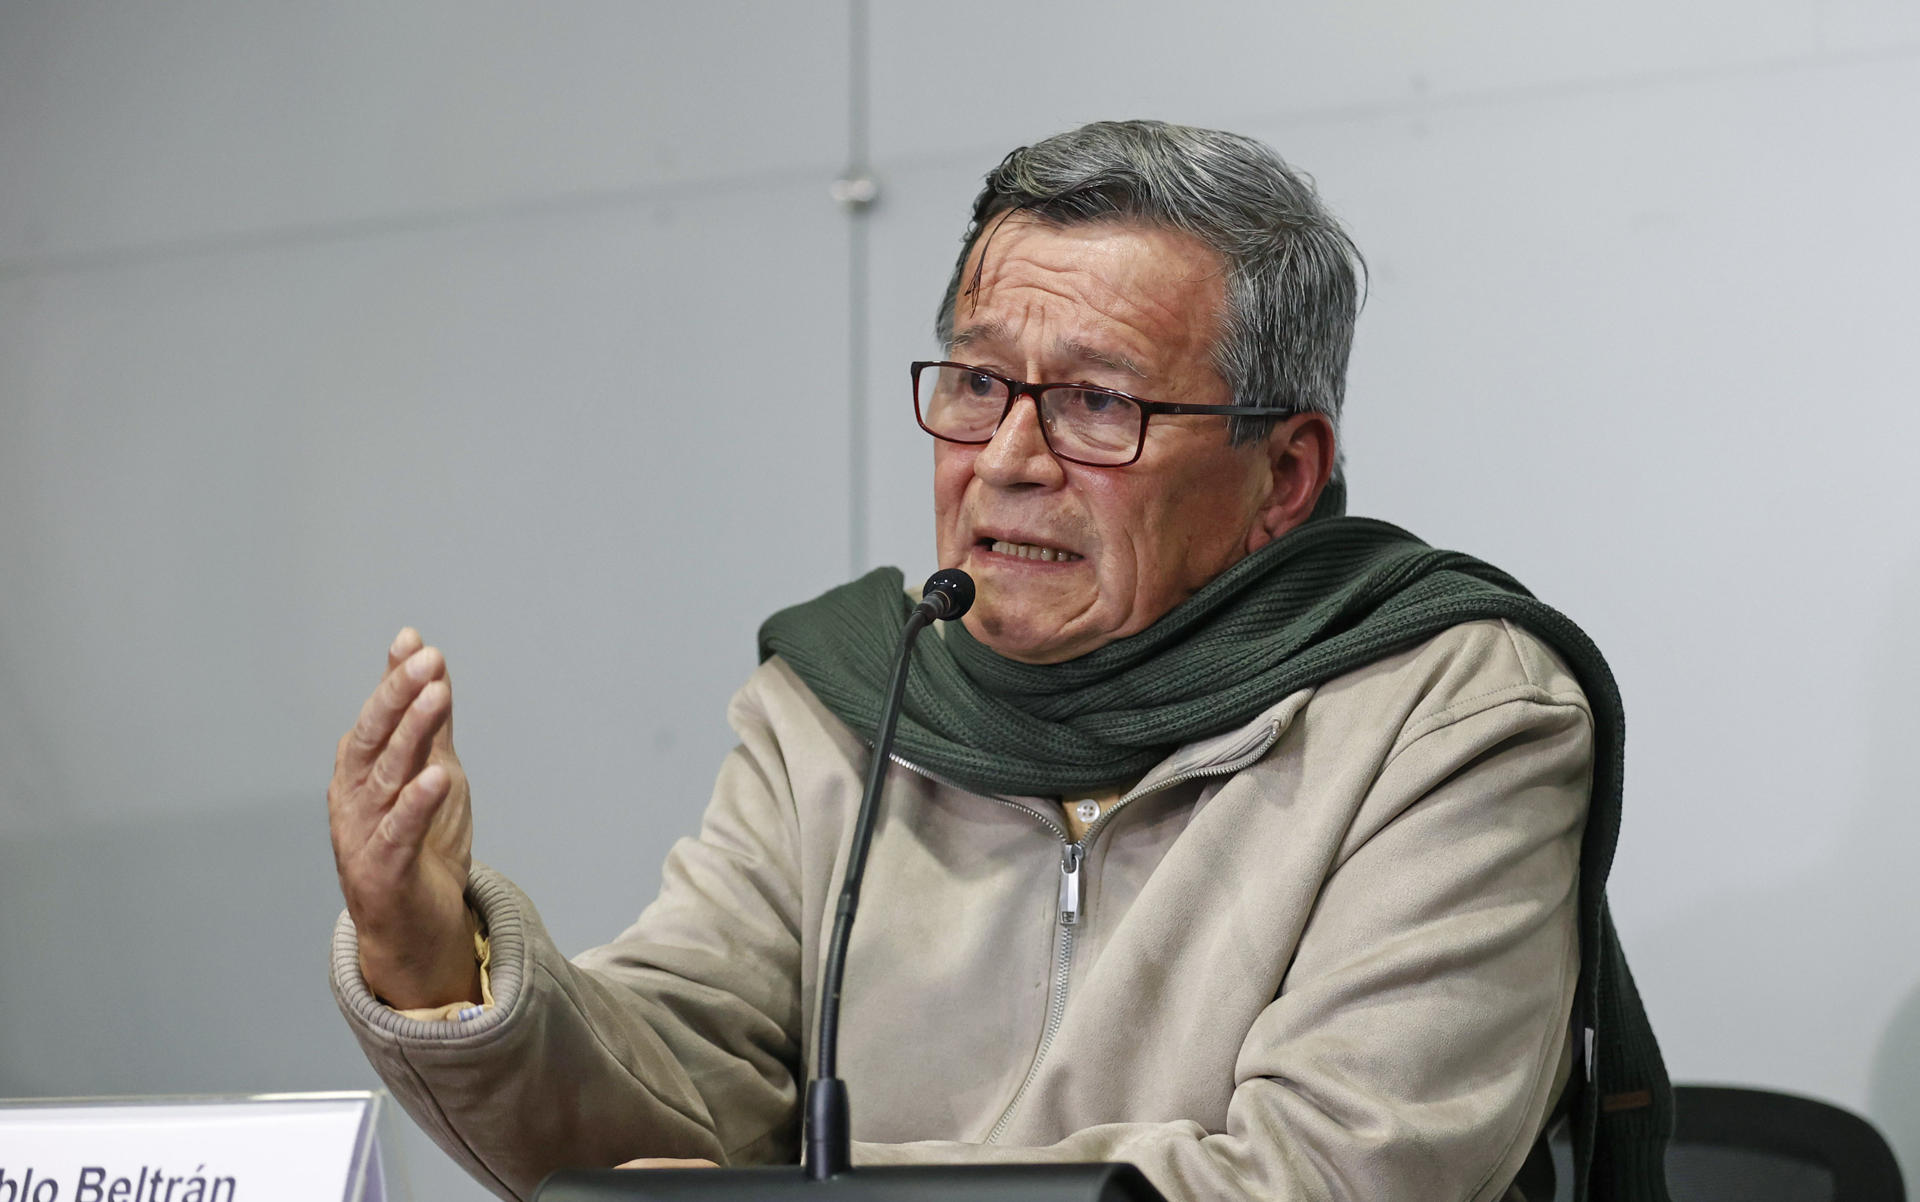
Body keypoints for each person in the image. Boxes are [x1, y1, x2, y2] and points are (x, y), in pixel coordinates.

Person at [328, 120, 1671, 1202]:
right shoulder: (845, 703)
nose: (1010, 460)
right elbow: (671, 1102)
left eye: (1098, 402)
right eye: (976, 385)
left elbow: (1337, 1174)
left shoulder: (1451, 715)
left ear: (1284, 473)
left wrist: (801, 1196)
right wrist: (435, 955)